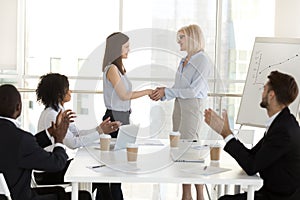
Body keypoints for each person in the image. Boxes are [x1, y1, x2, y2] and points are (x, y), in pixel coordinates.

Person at [204, 70, 300, 200]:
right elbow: (253, 156)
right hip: (273, 192)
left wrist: (226, 133)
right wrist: (227, 133)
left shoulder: (283, 130)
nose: (262, 93)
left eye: (264, 89)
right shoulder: (282, 122)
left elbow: (251, 166)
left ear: (271, 95)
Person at [150, 24, 212, 200]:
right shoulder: (183, 61)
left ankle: (199, 195)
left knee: (191, 150)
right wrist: (163, 93)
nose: (178, 41)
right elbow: (179, 88)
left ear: (192, 38)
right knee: (181, 150)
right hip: (179, 105)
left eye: (181, 37)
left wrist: (168, 92)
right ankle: (186, 194)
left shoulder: (202, 60)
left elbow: (193, 91)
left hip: (192, 106)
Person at [34, 73, 121, 198]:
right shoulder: (52, 115)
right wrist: (100, 132)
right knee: (99, 173)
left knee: (99, 173)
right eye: (67, 89)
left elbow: (77, 134)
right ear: (59, 94)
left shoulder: (59, 111)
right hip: (47, 173)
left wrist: (100, 128)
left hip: (55, 166)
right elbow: (74, 143)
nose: (70, 91)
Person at [101, 32, 153, 200]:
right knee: (114, 168)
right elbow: (124, 95)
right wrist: (147, 91)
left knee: (119, 167)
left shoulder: (119, 68)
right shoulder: (112, 69)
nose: (129, 49)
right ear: (117, 48)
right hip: (114, 118)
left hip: (122, 117)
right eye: (126, 46)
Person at [0, 84, 74, 200]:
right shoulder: (21, 139)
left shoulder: (21, 140)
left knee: (59, 191)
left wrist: (50, 132)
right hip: (19, 196)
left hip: (8, 194)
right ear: (18, 108)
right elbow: (57, 164)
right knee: (82, 196)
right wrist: (59, 140)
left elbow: (25, 147)